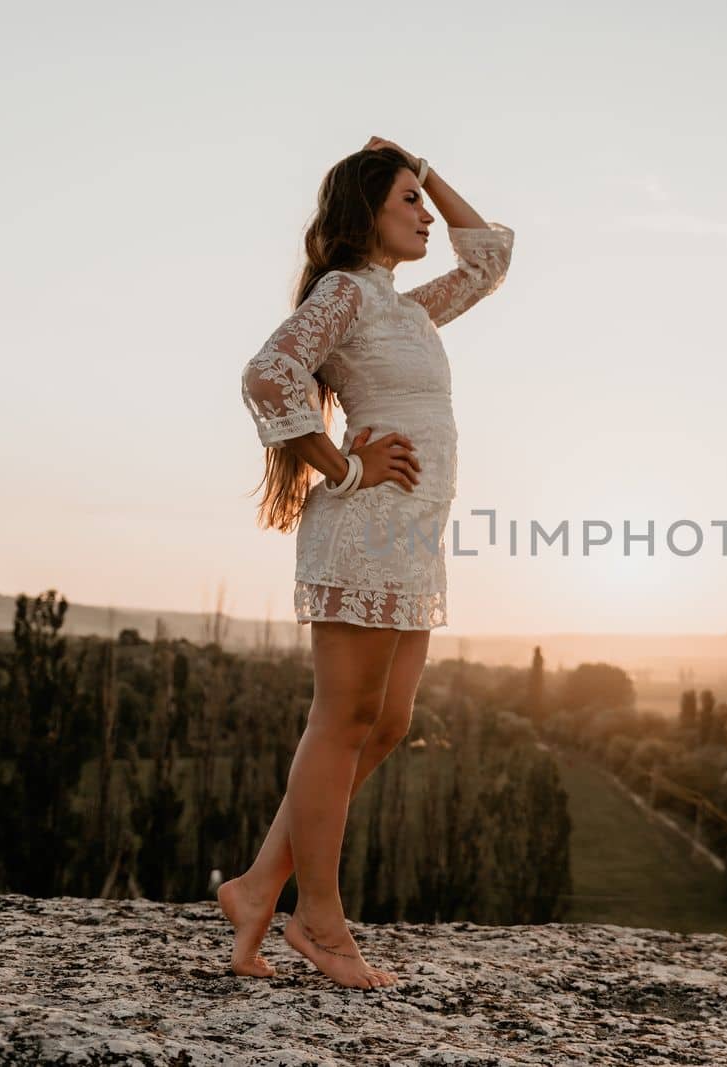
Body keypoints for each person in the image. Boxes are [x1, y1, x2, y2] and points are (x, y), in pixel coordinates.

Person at [220, 136, 514, 989]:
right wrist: (344, 467)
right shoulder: (348, 292)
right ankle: (318, 918)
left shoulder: (409, 307)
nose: (427, 216)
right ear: (366, 216)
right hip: (366, 527)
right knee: (341, 719)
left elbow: (489, 254)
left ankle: (256, 887)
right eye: (408, 203)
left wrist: (423, 165)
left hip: (413, 535)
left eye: (425, 201)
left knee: (382, 725)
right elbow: (268, 372)